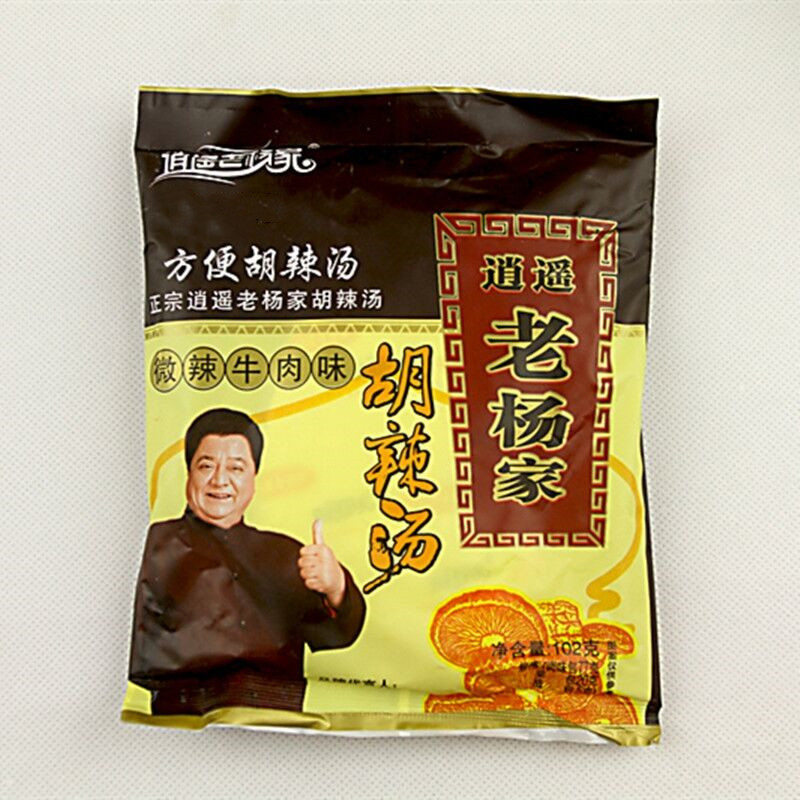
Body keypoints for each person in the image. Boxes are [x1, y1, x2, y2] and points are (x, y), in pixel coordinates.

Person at [128, 408, 366, 715]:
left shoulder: (285, 553)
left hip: (276, 720)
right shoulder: (155, 543)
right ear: (189, 472)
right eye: (206, 465)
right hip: (185, 720)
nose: (220, 480)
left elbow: (337, 636)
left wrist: (336, 586)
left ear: (254, 476)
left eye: (236, 468)